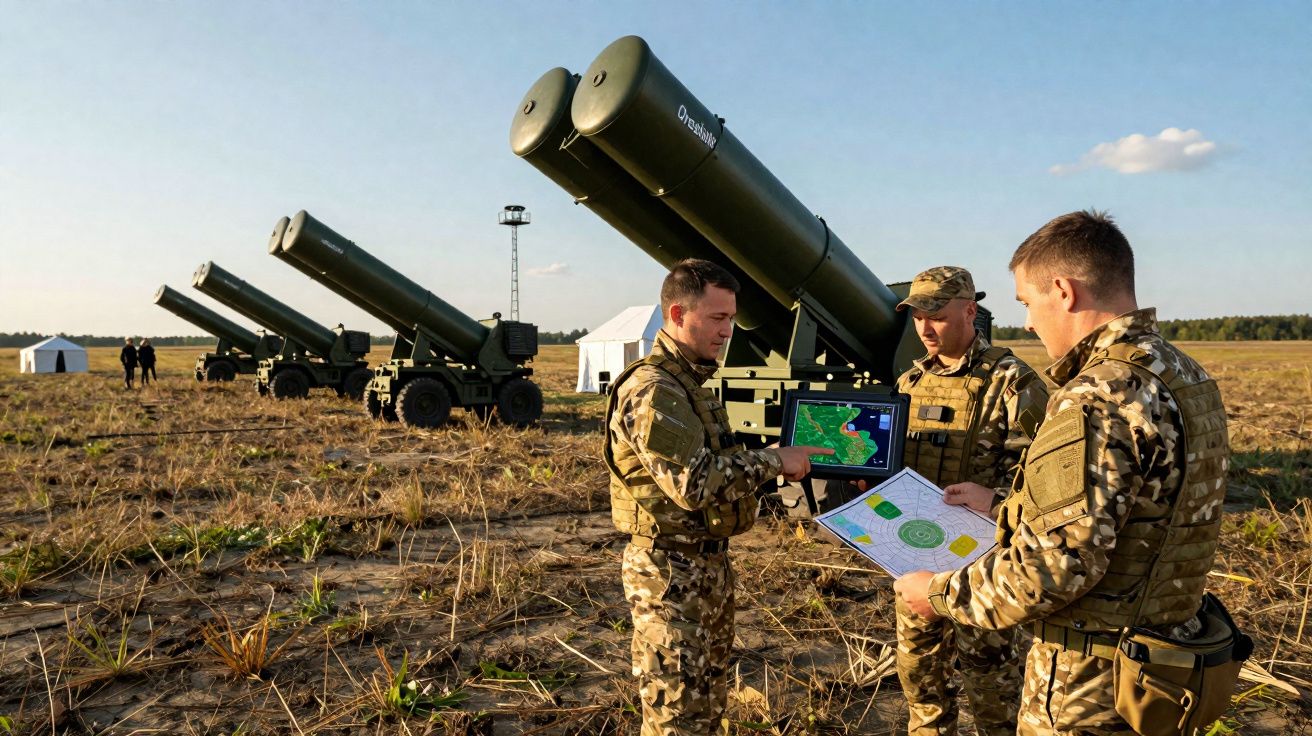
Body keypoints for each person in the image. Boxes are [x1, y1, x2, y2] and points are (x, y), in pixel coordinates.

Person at [895, 211, 1229, 735]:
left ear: (1063, 291)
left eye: (1028, 303)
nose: (1027, 322)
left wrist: (938, 595)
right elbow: (1134, 511)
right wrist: (1005, 507)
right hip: (1165, 666)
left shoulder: (1097, 395)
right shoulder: (1185, 375)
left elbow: (1055, 568)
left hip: (1090, 684)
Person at [606, 258, 832, 735]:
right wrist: (775, 461)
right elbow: (695, 484)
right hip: (670, 574)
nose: (728, 331)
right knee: (677, 715)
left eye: (731, 319)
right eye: (716, 318)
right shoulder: (654, 390)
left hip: (704, 569)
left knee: (705, 706)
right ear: (675, 315)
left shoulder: (690, 383)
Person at [888, 266, 1048, 736]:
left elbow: (1049, 480)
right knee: (920, 676)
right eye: (917, 316)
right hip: (917, 554)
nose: (925, 327)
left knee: (991, 685)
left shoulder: (1013, 382)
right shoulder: (910, 384)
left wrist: (995, 498)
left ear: (970, 311)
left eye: (936, 314)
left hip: (983, 563)